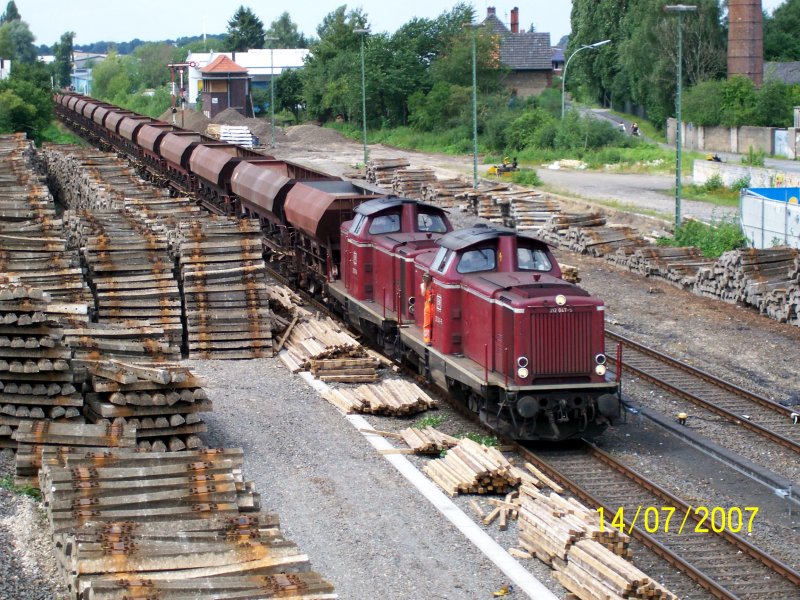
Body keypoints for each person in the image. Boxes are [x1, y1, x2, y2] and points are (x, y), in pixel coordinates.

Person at [420, 273, 435, 346]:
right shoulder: (423, 285)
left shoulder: (433, 285)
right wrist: (425, 285)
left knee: (433, 323)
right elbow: (423, 293)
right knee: (427, 324)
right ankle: (427, 339)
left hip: (433, 305)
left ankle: (432, 338)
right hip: (428, 305)